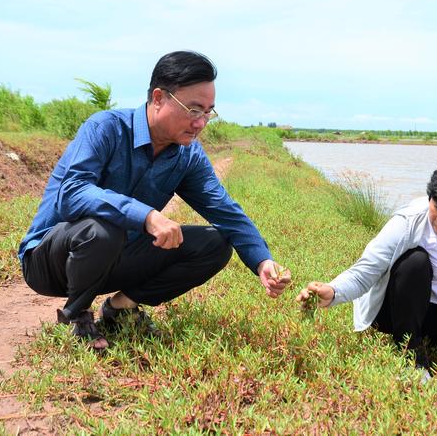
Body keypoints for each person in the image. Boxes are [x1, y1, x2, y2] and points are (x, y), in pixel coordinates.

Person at [19, 51, 291, 350]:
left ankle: (121, 309)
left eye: (208, 112)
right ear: (159, 97)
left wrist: (262, 260)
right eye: (193, 109)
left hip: (116, 259)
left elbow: (225, 210)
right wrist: (146, 215)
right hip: (51, 262)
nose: (201, 123)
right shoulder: (105, 128)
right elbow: (72, 193)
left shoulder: (188, 155)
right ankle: (78, 317)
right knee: (104, 228)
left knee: (216, 243)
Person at [296, 150, 437, 371]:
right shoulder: (409, 221)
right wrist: (333, 292)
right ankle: (412, 357)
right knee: (415, 263)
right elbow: (365, 271)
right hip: (398, 309)